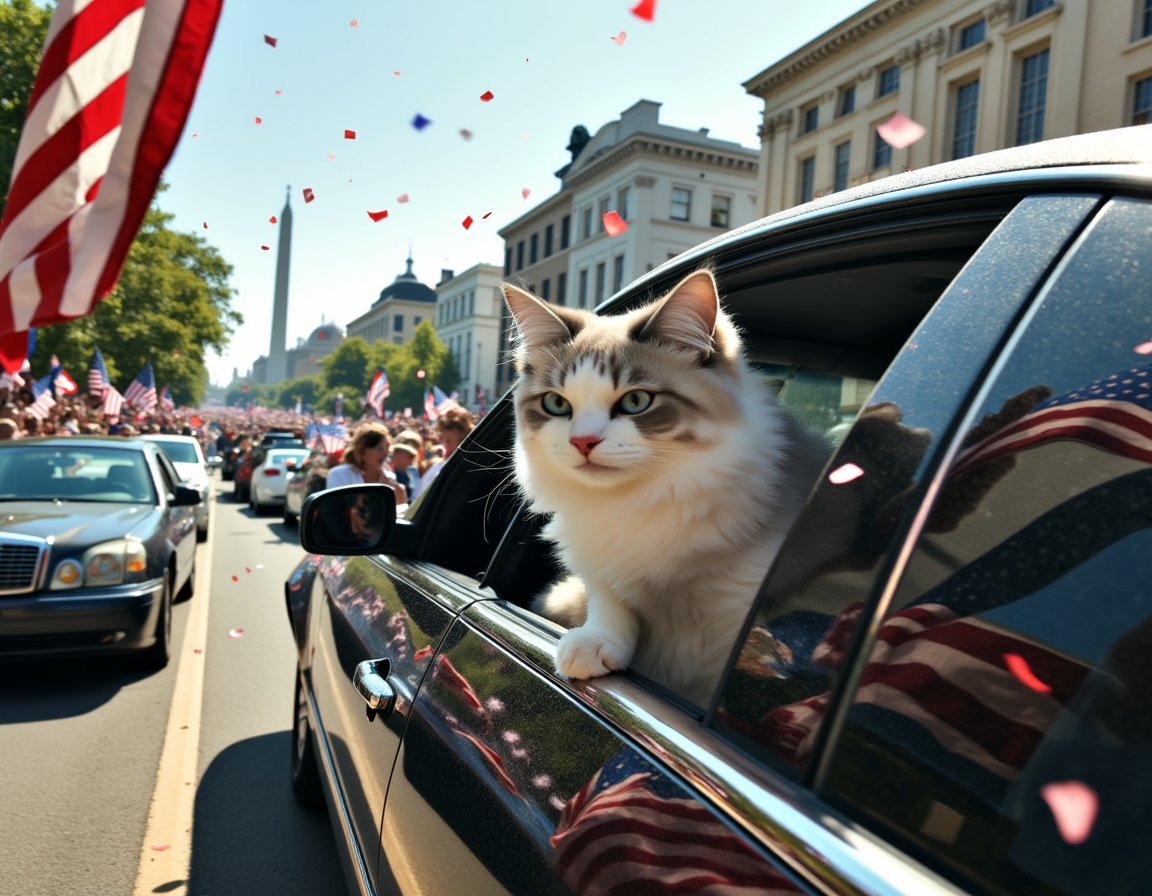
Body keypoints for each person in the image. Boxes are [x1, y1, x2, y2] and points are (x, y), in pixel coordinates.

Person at [325, 423, 408, 508]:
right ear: (362, 451)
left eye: (387, 448)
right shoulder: (339, 475)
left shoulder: (390, 478)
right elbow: (335, 512)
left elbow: (398, 513)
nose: (386, 453)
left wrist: (399, 494)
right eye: (380, 449)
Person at [421, 407, 476, 488]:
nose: (446, 446)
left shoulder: (468, 470)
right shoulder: (436, 467)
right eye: (445, 441)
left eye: (449, 441)